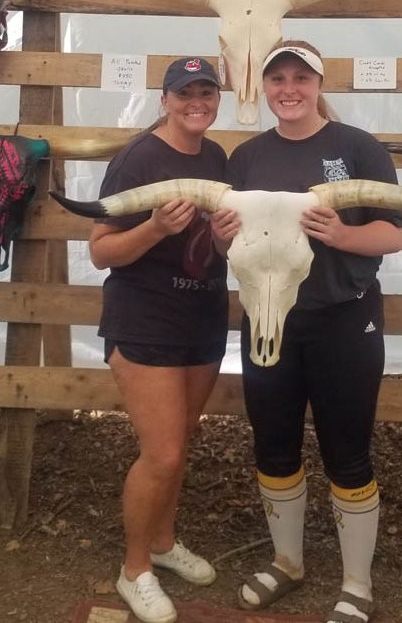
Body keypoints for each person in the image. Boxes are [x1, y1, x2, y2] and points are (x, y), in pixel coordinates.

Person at [213, 40, 402, 623]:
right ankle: (287, 562)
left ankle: (356, 583)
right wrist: (221, 236)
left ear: (320, 83)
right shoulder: (245, 157)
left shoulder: (357, 147)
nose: (288, 89)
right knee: (273, 445)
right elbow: (231, 243)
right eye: (277, 79)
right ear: (263, 87)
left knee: (347, 452)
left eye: (301, 77)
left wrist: (341, 235)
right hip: (267, 319)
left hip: (345, 317)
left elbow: (393, 234)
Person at [90, 57, 229, 623]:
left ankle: (165, 543)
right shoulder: (139, 157)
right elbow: (101, 250)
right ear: (165, 99)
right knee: (163, 451)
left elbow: (218, 243)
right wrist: (154, 227)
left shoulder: (217, 157)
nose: (196, 102)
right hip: (145, 320)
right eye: (185, 93)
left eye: (206, 91)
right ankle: (134, 569)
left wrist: (224, 237)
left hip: (202, 317)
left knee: (181, 442)